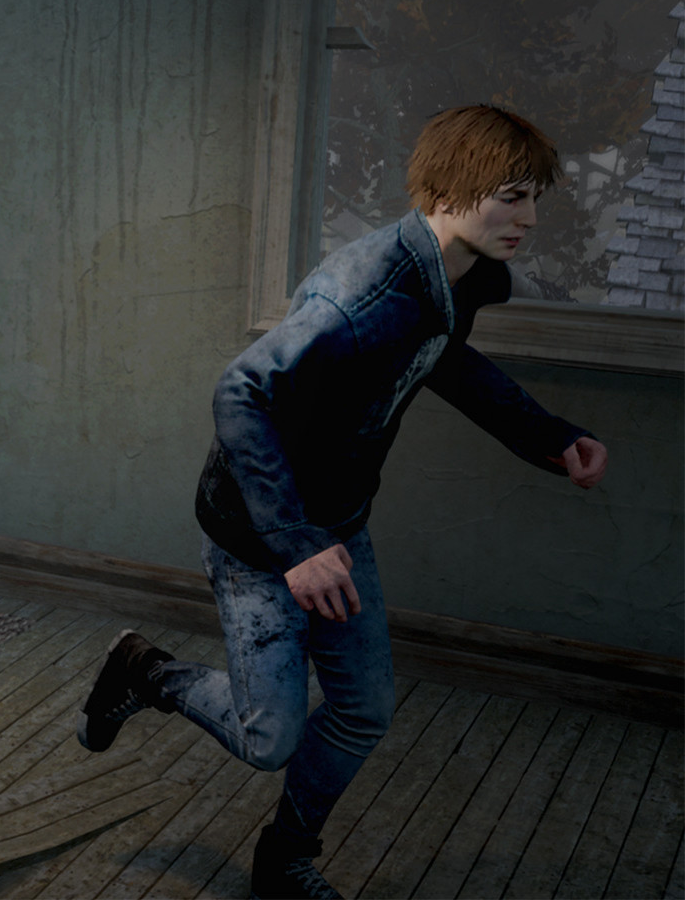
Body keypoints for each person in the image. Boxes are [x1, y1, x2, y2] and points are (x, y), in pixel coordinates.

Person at [74, 105, 608, 900]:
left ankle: (283, 861)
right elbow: (240, 392)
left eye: (534, 198)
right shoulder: (358, 296)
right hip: (259, 535)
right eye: (511, 197)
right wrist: (295, 545)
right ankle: (145, 671)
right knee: (268, 739)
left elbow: (444, 359)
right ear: (448, 192)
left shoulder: (457, 275)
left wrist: (550, 437)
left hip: (337, 526)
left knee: (362, 712)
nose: (529, 218)